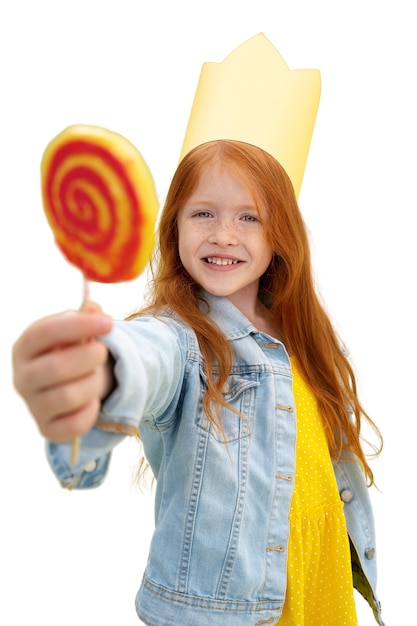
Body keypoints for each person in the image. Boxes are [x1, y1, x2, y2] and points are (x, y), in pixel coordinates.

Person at [12, 139, 385, 625]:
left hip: (321, 585)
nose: (224, 235)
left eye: (249, 217)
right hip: (231, 611)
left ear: (281, 234)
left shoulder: (304, 339)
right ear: (174, 227)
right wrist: (98, 369)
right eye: (203, 214)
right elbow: (144, 358)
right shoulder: (181, 340)